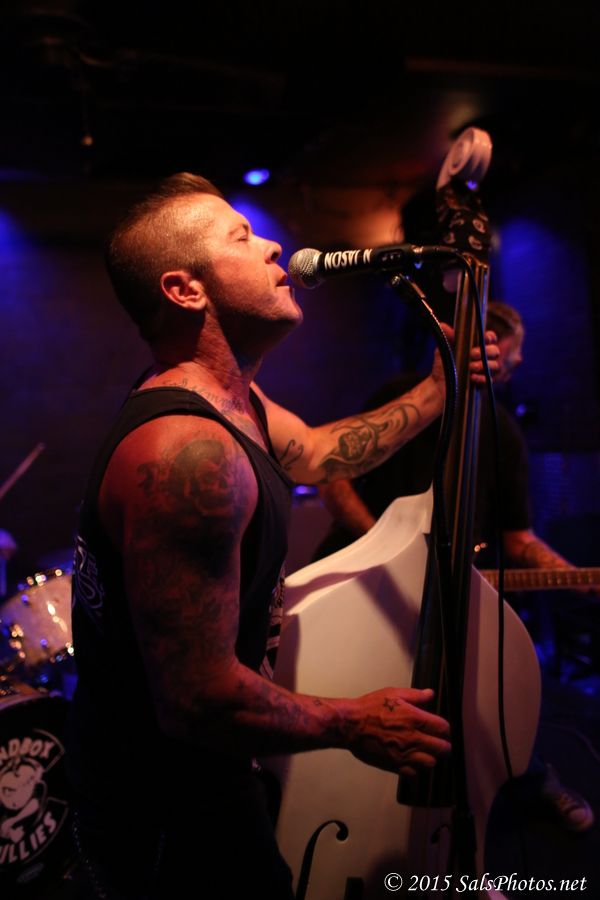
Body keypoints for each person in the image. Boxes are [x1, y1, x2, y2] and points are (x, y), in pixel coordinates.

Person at [66, 173, 499, 899]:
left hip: (204, 778)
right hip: (162, 810)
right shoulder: (187, 454)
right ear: (184, 290)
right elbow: (199, 699)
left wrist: (438, 390)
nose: (273, 246)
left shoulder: (238, 403)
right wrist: (353, 723)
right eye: (241, 237)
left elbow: (323, 453)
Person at [316, 300, 594, 833]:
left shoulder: (505, 434)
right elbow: (334, 479)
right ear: (485, 347)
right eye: (511, 353)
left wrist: (579, 578)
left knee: (486, 682)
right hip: (359, 577)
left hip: (442, 591)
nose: (516, 364)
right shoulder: (402, 396)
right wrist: (384, 546)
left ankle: (526, 774)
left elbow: (518, 539)